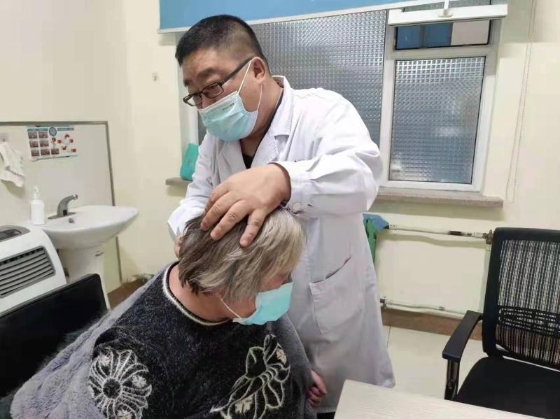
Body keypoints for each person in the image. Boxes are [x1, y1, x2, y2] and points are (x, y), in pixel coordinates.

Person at [168, 15, 395, 418]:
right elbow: (197, 199)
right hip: (254, 314)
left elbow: (362, 178)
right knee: (275, 400)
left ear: (256, 69)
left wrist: (284, 180)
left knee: (347, 407)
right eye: (196, 96)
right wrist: (190, 235)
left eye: (213, 87)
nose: (206, 106)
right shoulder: (215, 143)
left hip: (327, 311)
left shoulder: (322, 112)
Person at [11, 209, 321, 419]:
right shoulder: (138, 362)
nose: (288, 285)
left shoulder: (242, 304)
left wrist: (301, 373)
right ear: (227, 280)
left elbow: (276, 329)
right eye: (282, 276)